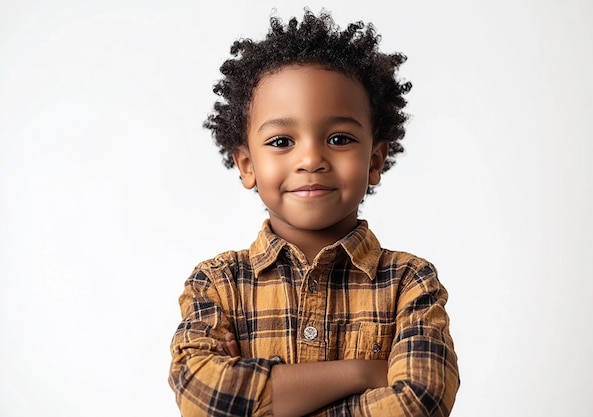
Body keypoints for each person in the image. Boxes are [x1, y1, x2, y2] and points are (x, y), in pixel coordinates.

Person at [168, 9, 460, 417]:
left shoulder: (410, 283)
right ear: (247, 164)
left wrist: (264, 399)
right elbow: (201, 395)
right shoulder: (217, 284)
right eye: (282, 140)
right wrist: (363, 373)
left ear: (374, 160)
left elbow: (420, 402)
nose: (311, 158)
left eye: (339, 138)